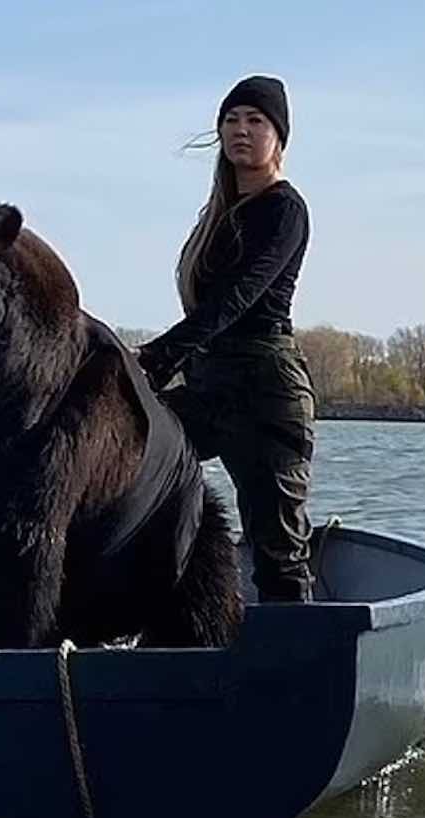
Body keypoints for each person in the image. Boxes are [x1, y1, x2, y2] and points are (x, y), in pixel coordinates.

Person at [136, 74, 316, 602]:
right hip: (210, 385)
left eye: (256, 121)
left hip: (267, 393)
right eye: (232, 120)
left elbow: (236, 300)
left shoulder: (286, 210)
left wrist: (160, 355)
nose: (242, 130)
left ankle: (293, 658)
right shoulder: (217, 214)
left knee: (277, 545)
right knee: (126, 457)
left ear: (278, 138)